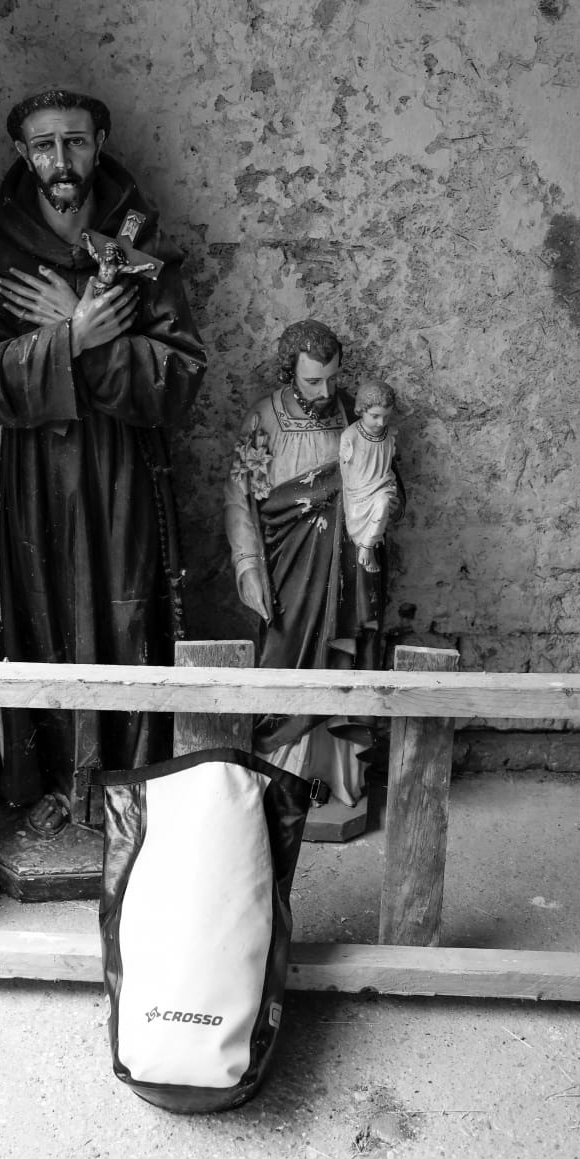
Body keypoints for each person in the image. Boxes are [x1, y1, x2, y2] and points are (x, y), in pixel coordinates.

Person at [0, 86, 206, 837]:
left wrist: (93, 340)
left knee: (127, 607)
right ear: (23, 154)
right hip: (32, 474)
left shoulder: (139, 249)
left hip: (122, 466)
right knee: (44, 612)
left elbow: (181, 376)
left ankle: (132, 780)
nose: (62, 159)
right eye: (45, 144)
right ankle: (60, 780)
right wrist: (71, 337)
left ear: (100, 144)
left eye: (76, 141)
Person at [224, 320, 403, 809]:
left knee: (342, 661)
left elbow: (384, 476)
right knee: (285, 658)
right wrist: (248, 564)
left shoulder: (354, 413)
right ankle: (281, 778)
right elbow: (240, 497)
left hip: (348, 570)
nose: (326, 392)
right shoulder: (264, 418)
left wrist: (382, 507)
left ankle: (334, 774)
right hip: (289, 569)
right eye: (312, 381)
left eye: (333, 378)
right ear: (290, 373)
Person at [339, 379, 399, 575]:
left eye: (386, 417)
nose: (381, 423)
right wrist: (358, 493)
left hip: (382, 486)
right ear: (361, 410)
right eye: (375, 416)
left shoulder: (389, 434)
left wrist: (391, 488)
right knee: (377, 508)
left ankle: (367, 547)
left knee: (383, 503)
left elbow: (388, 467)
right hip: (358, 493)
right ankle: (366, 546)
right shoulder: (351, 437)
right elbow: (346, 473)